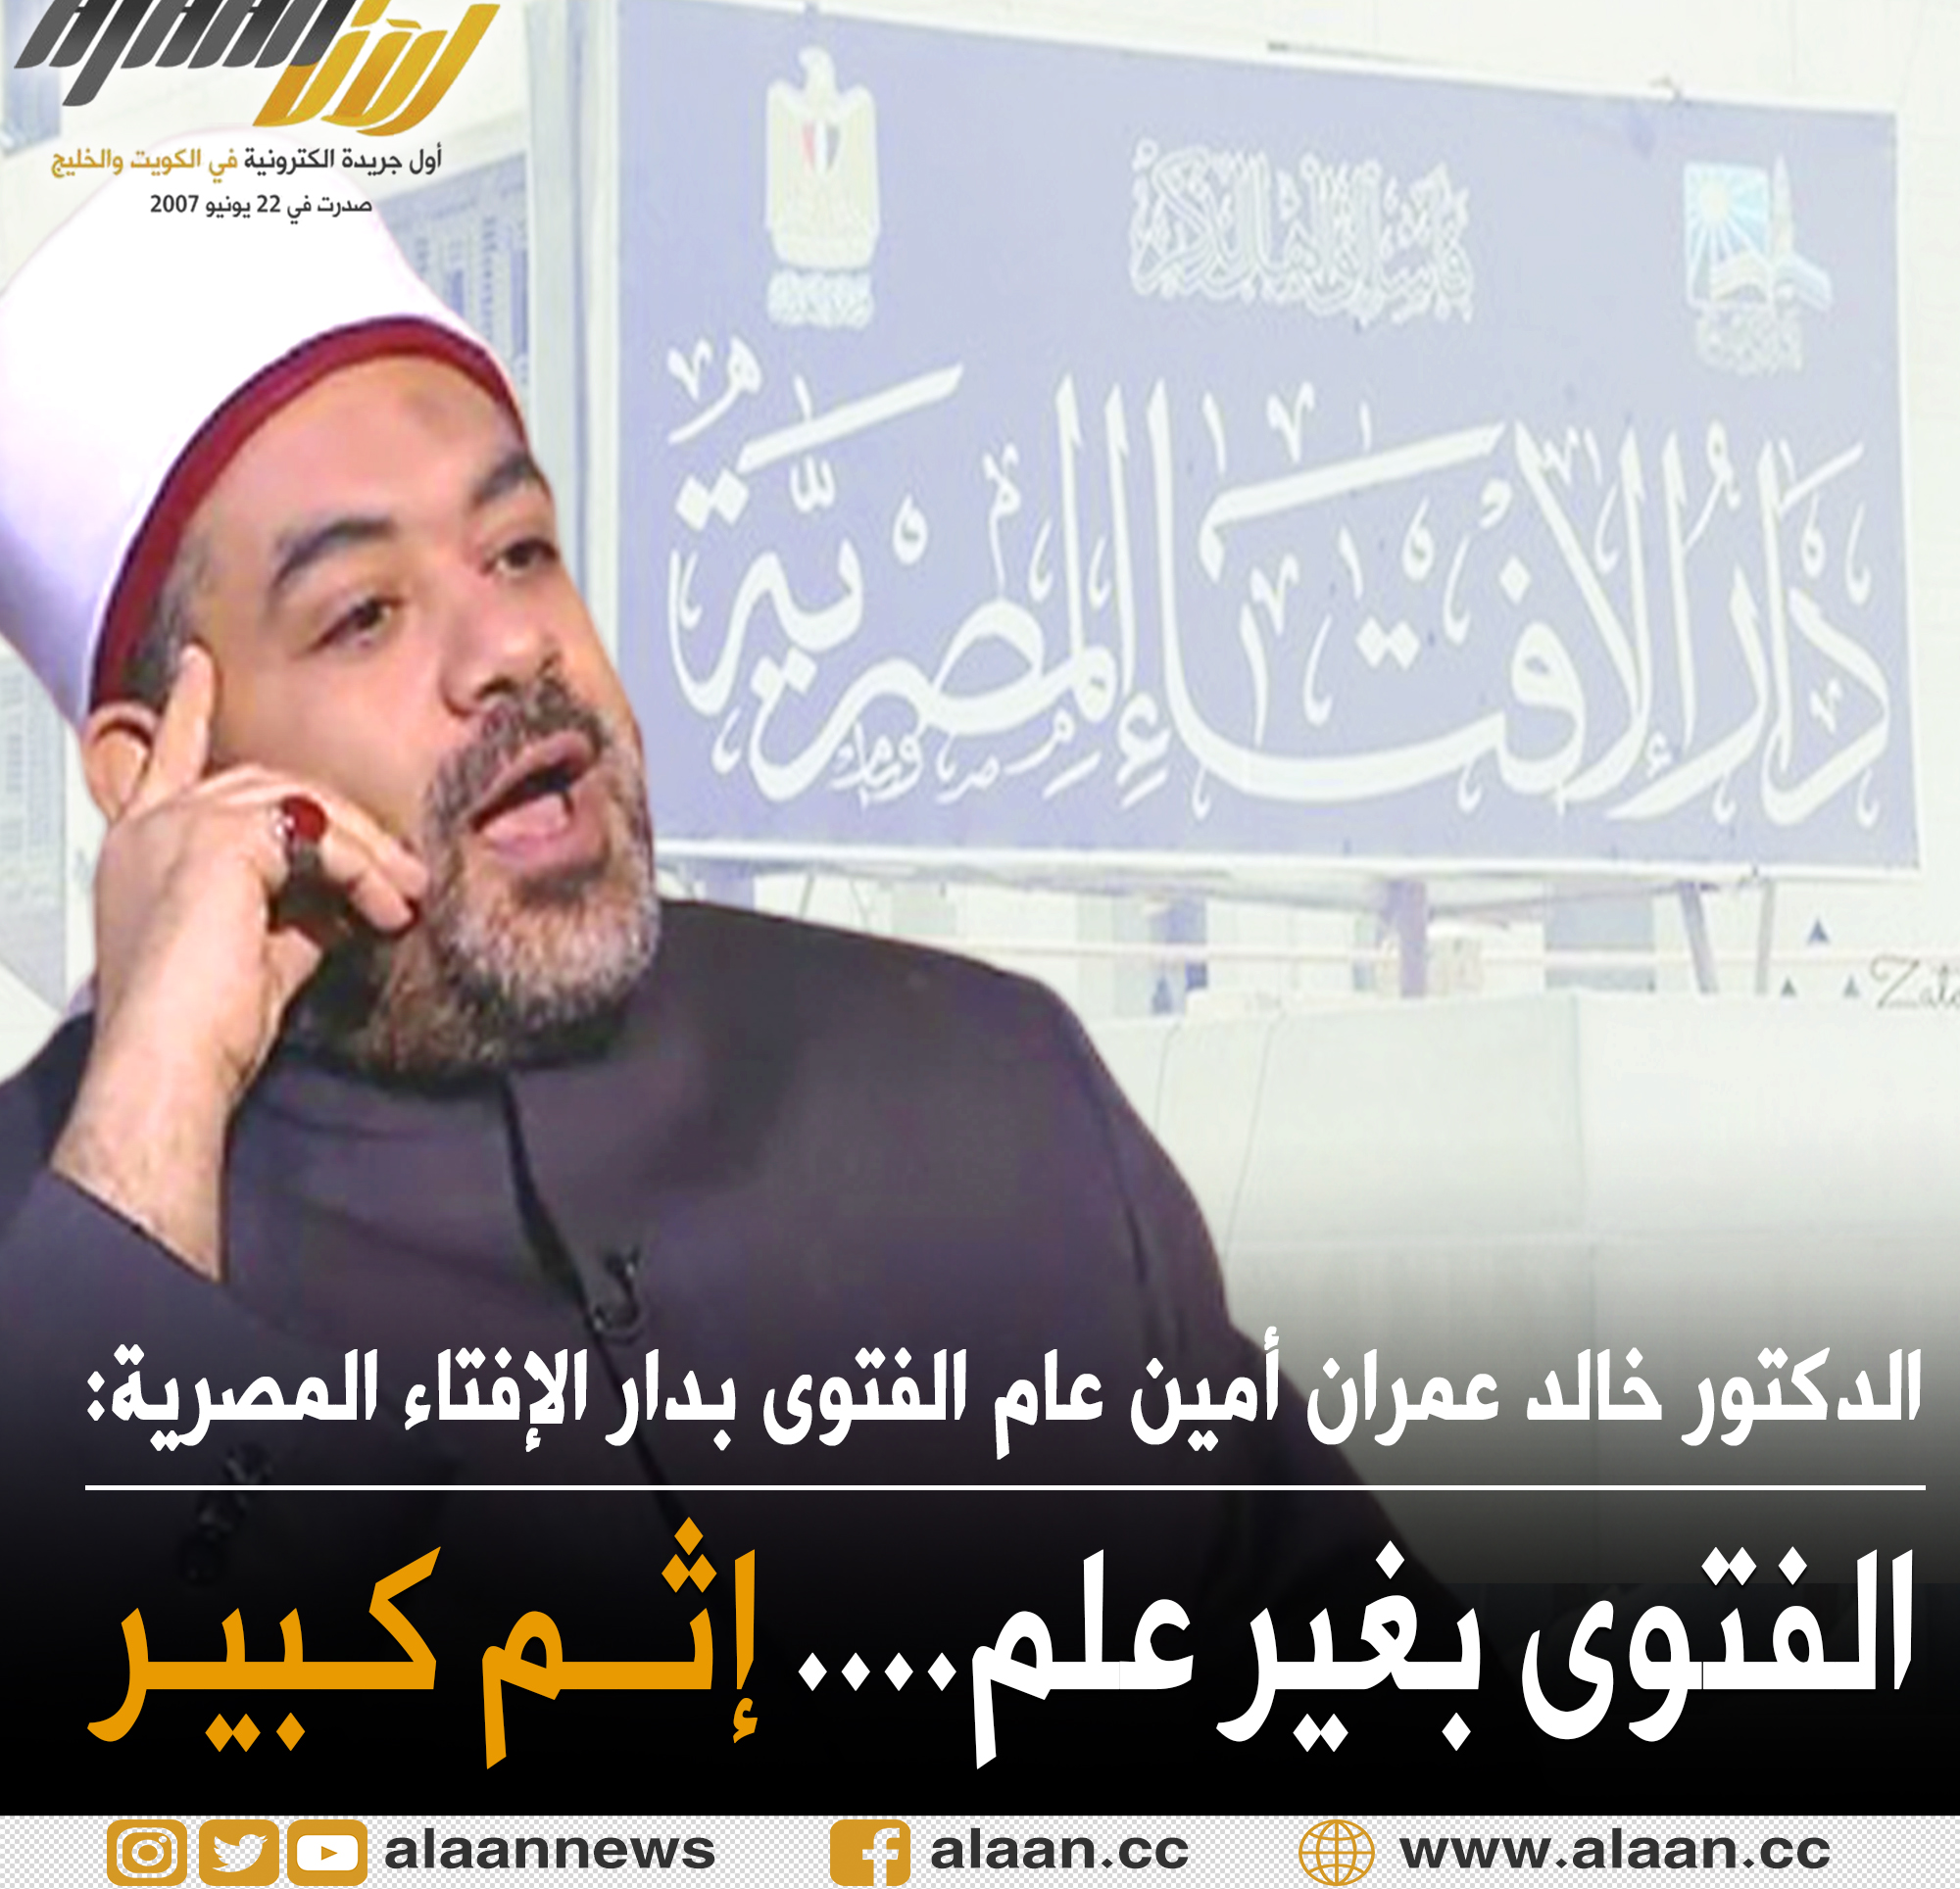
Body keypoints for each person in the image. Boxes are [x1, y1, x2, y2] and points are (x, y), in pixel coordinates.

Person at [0, 143, 1473, 1807]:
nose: (510, 649)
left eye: (519, 549)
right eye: (363, 616)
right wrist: (154, 1108)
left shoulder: (993, 1090)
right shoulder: (46, 1236)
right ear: (154, 771)